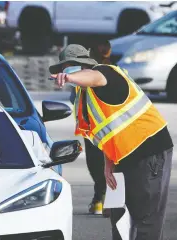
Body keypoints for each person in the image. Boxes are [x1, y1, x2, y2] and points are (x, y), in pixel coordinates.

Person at [49, 44, 174, 240]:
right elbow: (107, 133)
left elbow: (95, 77)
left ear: (83, 65)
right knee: (119, 217)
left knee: (146, 218)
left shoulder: (104, 72)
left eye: (70, 67)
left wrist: (71, 77)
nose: (65, 72)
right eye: (63, 69)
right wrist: (108, 164)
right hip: (121, 158)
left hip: (149, 151)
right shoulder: (84, 96)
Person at [68, 40, 112, 216]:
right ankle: (107, 201)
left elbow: (74, 97)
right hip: (110, 128)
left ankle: (99, 199)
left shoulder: (88, 73)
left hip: (93, 127)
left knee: (96, 163)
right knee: (110, 165)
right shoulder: (113, 71)